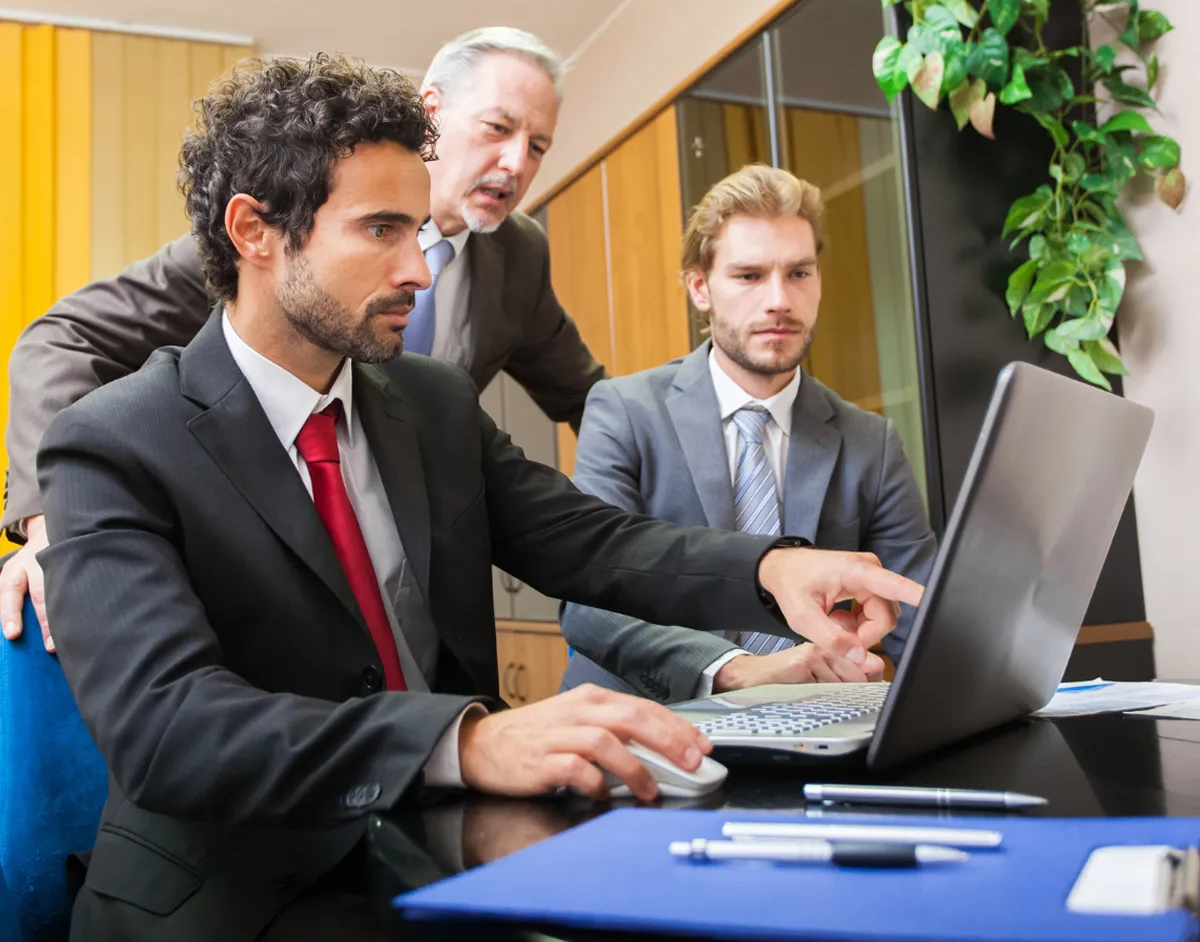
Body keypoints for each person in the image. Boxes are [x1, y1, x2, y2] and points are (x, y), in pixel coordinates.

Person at [37, 55, 922, 941]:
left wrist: (773, 568)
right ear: (255, 231)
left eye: (417, 230)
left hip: (456, 849)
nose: (419, 270)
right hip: (234, 896)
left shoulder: (431, 402)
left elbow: (593, 543)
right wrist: (460, 742)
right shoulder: (112, 444)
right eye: (380, 229)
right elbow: (168, 729)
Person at [2, 26, 602, 652]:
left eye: (537, 146)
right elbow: (62, 338)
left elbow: (586, 396)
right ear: (432, 115)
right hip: (272, 565)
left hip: (414, 575)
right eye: (497, 129)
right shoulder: (277, 240)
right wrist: (57, 523)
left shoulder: (520, 254)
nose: (516, 164)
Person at [559, 165, 936, 702]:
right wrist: (729, 669)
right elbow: (586, 599)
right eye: (749, 276)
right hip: (638, 721)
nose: (779, 300)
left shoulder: (870, 441)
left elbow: (921, 612)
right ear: (699, 287)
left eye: (799, 274)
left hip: (808, 726)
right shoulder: (624, 411)